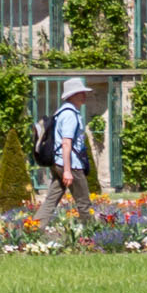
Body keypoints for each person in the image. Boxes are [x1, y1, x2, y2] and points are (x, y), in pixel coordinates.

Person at [41, 78, 92, 217]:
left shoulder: (62, 112)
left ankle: (33, 228)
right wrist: (68, 171)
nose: (84, 95)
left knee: (51, 201)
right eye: (80, 92)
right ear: (71, 95)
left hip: (58, 163)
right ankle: (92, 235)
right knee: (84, 203)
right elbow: (66, 143)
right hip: (71, 164)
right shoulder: (70, 114)